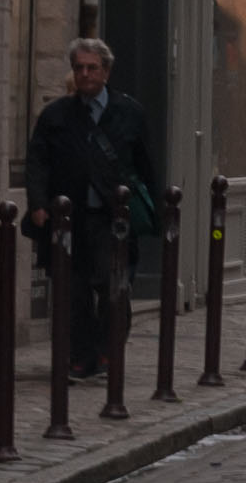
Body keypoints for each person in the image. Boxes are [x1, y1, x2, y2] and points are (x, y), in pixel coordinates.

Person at [22, 38, 160, 386]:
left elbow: (145, 166)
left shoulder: (129, 112)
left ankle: (107, 350)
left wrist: (153, 210)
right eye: (79, 68)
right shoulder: (56, 115)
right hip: (69, 220)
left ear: (106, 71)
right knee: (73, 292)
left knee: (114, 288)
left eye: (92, 68)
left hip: (112, 221)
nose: (85, 74)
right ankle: (81, 358)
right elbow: (37, 161)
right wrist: (38, 203)